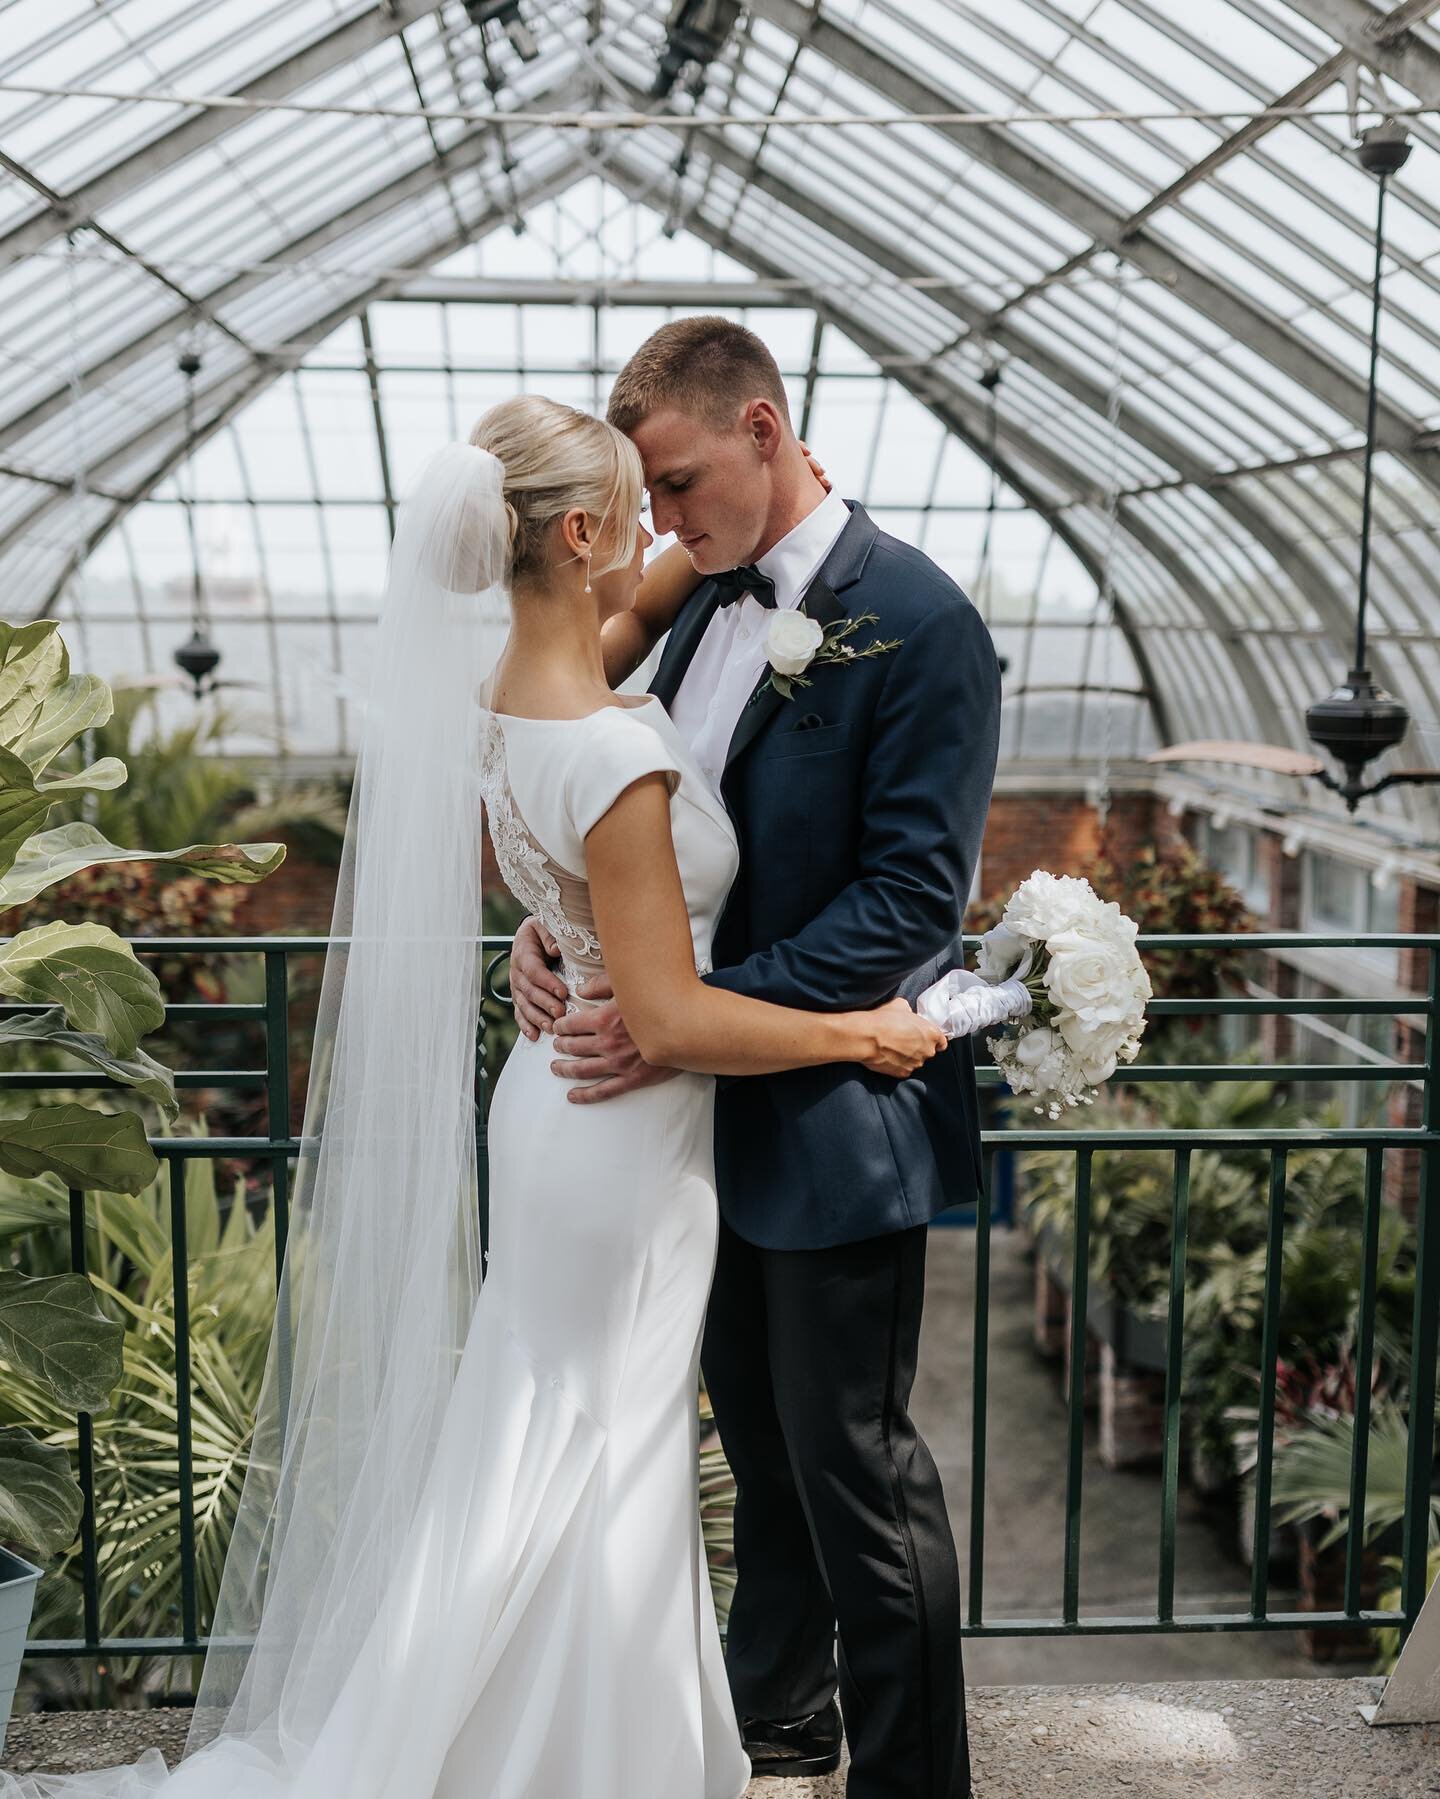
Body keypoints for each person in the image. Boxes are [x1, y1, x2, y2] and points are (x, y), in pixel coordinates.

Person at [0, 398, 945, 1799]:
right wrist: (861, 1033)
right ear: (575, 533)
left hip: (561, 1115)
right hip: (622, 1133)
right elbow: (674, 1015)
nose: (659, 530)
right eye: (636, 510)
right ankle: (576, 1760)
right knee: (601, 1443)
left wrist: (777, 505)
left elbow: (582, 815)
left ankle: (511, 1732)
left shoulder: (515, 696)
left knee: (547, 1424)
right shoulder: (619, 756)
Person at [509, 318, 1001, 1799]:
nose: (661, 519)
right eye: (647, 495)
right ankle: (778, 1728)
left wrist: (685, 1007)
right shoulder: (700, 598)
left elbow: (911, 905)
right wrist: (561, 940)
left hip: (833, 1119)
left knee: (855, 1469)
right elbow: (607, 814)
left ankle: (916, 1779)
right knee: (765, 1464)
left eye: (677, 482)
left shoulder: (921, 621)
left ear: (765, 429)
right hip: (690, 1125)